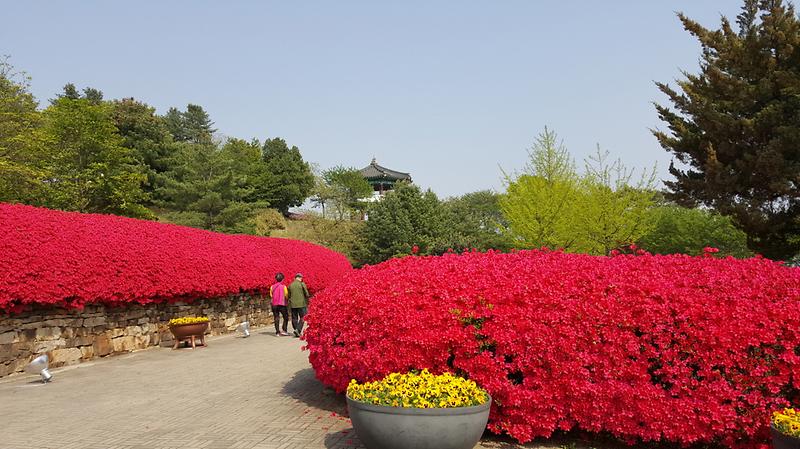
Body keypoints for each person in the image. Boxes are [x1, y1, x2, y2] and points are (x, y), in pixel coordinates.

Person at [287, 273, 310, 338]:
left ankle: (296, 330)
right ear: (300, 278)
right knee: (303, 317)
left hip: (293, 304)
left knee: (294, 318)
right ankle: (298, 330)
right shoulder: (302, 284)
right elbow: (307, 293)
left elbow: (289, 295)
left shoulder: (290, 285)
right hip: (301, 303)